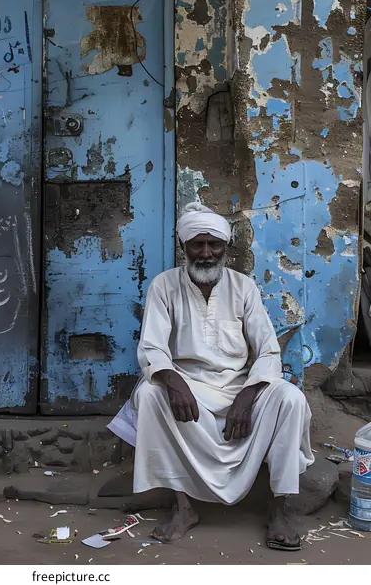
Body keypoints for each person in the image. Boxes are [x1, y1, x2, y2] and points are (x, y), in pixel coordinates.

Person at [108, 202, 314, 551]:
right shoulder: (163, 286)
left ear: (226, 247)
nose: (206, 253)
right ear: (182, 247)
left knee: (291, 399)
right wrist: (174, 382)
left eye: (213, 244)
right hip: (189, 387)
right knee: (149, 394)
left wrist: (247, 396)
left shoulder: (243, 287)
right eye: (197, 245)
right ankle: (183, 507)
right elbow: (152, 347)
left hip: (238, 385)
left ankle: (279, 510)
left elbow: (267, 350)